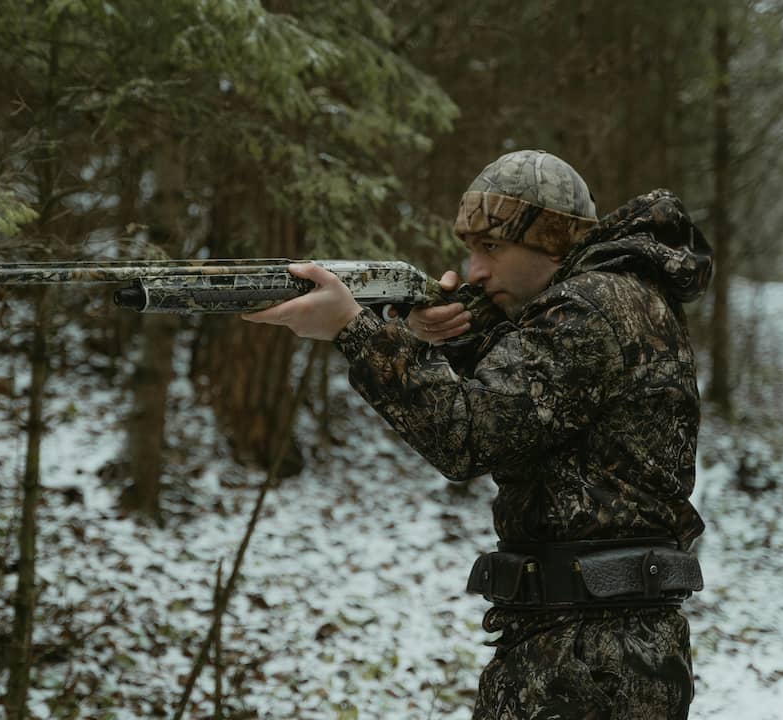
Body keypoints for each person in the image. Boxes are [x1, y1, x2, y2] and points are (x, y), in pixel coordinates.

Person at [243, 149, 713, 719]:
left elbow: (469, 433)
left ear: (551, 242)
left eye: (491, 248)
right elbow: (532, 401)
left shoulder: (593, 307)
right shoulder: (611, 299)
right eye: (470, 250)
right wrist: (442, 336)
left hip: (592, 659)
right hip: (586, 646)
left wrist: (355, 332)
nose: (474, 271)